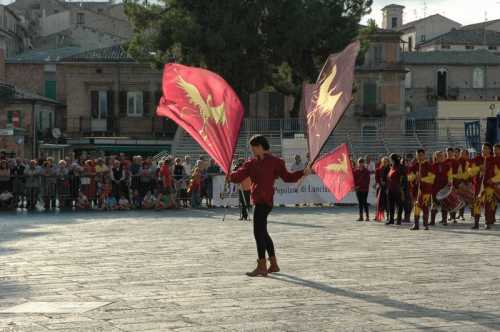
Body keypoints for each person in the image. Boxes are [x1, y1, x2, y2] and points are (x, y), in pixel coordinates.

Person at [229, 135, 310, 277]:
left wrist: (302, 172)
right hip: (258, 200)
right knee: (263, 232)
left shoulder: (276, 162)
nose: (252, 150)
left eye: (253, 148)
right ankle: (273, 264)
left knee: (258, 233)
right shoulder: (251, 163)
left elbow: (287, 177)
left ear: (260, 146)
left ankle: (262, 265)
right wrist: (229, 174)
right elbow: (238, 176)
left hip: (265, 201)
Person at [408, 149, 434, 231]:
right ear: (416, 155)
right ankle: (416, 225)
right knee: (417, 206)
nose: (420, 156)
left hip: (426, 189)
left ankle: (426, 224)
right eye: (418, 155)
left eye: (421, 155)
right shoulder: (414, 165)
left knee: (425, 206)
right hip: (416, 189)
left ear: (424, 155)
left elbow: (432, 177)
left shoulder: (428, 165)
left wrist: (422, 179)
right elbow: (409, 177)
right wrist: (414, 177)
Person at [431, 151, 451, 226]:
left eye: (442, 156)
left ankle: (444, 220)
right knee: (434, 204)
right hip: (435, 188)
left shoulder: (447, 166)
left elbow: (450, 175)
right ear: (436, 157)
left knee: (444, 205)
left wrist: (449, 182)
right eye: (439, 156)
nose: (440, 158)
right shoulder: (432, 166)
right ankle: (432, 221)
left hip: (444, 188)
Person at [386, 154, 405, 226]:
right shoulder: (392, 167)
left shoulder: (400, 167)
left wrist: (402, 188)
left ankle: (399, 220)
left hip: (398, 188)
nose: (389, 160)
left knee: (399, 205)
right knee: (391, 205)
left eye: (390, 159)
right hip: (390, 188)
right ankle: (391, 220)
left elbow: (403, 178)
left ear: (393, 159)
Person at [375, 157, 390, 221]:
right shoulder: (378, 170)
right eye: (384, 161)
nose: (385, 163)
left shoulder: (390, 169)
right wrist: (380, 183)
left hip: (388, 188)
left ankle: (388, 216)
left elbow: (391, 179)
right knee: (379, 202)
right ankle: (378, 216)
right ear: (382, 162)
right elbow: (377, 179)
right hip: (380, 188)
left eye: (386, 161)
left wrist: (386, 183)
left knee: (387, 202)